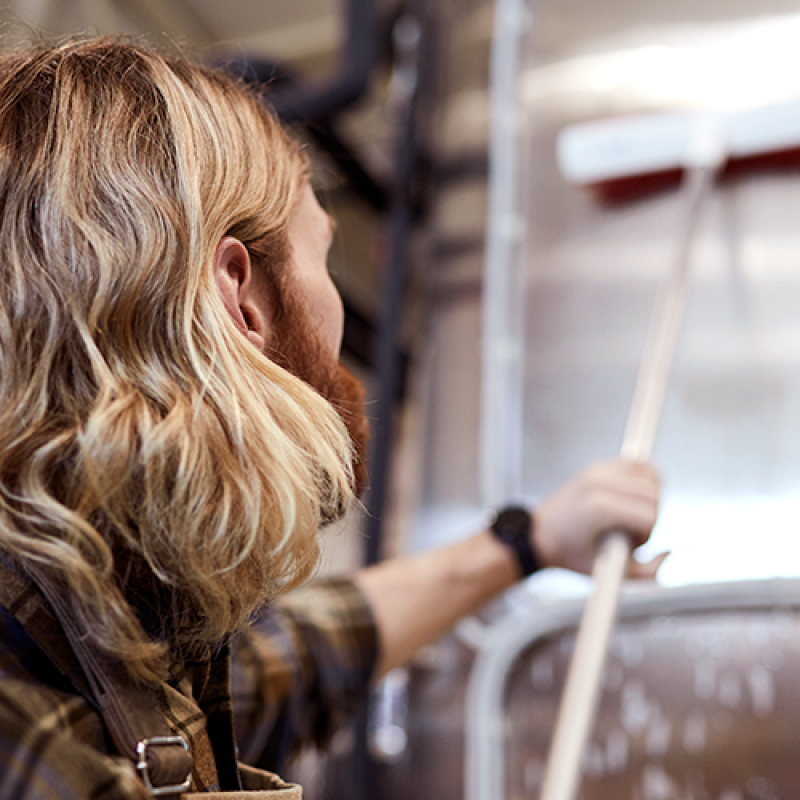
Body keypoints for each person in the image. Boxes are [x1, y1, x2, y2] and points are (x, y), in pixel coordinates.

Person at [0, 38, 663, 798]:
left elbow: (283, 665)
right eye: (324, 255)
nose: (338, 302)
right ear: (241, 299)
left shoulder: (100, 620)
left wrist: (525, 543)